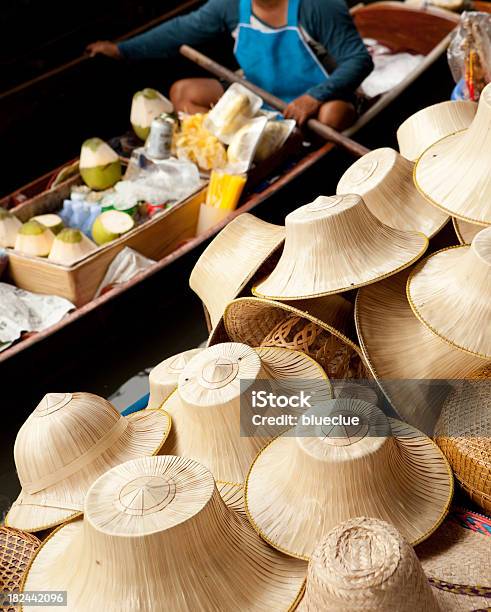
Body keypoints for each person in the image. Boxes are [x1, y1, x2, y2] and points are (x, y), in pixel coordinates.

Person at [87, 0, 373, 130]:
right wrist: (122, 50)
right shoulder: (230, 6)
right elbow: (179, 31)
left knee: (333, 117)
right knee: (184, 93)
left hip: (318, 101)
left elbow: (359, 60)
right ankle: (249, 144)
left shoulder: (318, 6)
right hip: (261, 98)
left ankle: (292, 145)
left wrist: (315, 97)